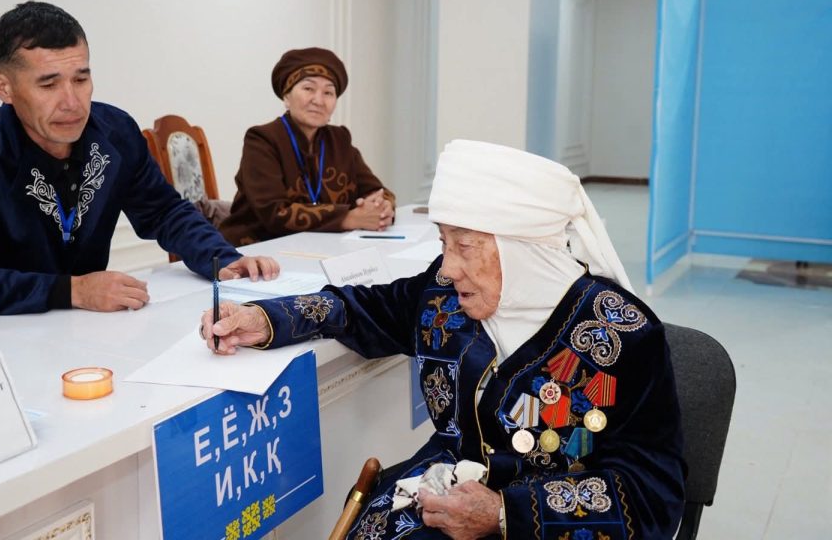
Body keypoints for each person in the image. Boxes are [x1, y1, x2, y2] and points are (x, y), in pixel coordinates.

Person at [201, 140, 686, 539]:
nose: (448, 268)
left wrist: (504, 513)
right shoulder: (446, 293)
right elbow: (370, 308)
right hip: (435, 499)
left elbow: (651, 494)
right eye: (443, 243)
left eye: (465, 245)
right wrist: (266, 318)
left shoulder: (621, 336)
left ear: (523, 251)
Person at [0, 1, 278, 316]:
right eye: (49, 84)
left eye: (81, 79)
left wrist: (221, 257)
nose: (72, 102)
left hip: (87, 331)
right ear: (4, 87)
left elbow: (164, 212)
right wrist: (72, 291)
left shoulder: (115, 133)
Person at [219, 47, 396, 246]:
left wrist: (382, 207)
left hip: (323, 247)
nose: (318, 101)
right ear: (286, 97)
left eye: (328, 92)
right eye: (308, 89)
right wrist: (348, 218)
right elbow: (274, 213)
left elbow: (376, 190)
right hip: (257, 250)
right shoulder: (262, 139)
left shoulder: (340, 139)